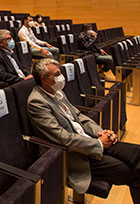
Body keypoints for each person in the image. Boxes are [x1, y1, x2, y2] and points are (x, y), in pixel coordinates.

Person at [28, 59, 140, 201]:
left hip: (92, 140)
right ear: (44, 79)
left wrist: (101, 132)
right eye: (57, 74)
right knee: (133, 173)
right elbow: (62, 137)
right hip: (77, 154)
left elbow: (79, 117)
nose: (61, 77)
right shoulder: (37, 102)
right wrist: (98, 144)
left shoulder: (57, 92)